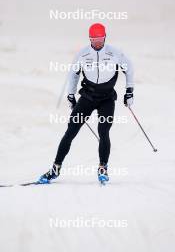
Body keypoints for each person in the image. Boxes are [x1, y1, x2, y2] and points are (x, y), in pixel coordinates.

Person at [39, 23, 134, 184]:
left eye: (100, 39)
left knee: (103, 131)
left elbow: (129, 68)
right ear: (89, 39)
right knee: (70, 131)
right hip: (87, 98)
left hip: (107, 99)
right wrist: (70, 94)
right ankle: (55, 169)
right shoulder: (82, 54)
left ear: (105, 37)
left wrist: (129, 91)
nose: (97, 42)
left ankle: (103, 168)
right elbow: (74, 74)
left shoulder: (115, 53)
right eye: (93, 39)